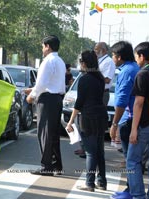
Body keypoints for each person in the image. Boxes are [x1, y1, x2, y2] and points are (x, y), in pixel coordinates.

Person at [66, 50, 108, 192]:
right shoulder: (100, 78)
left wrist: (70, 121)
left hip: (88, 117)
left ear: (83, 63)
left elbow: (79, 103)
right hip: (101, 116)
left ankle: (89, 183)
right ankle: (102, 182)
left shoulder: (84, 78)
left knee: (90, 152)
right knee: (99, 151)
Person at [25, 35, 65, 176]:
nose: (42, 49)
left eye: (43, 46)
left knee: (44, 133)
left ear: (48, 46)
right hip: (56, 99)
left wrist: (32, 96)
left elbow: (41, 84)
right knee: (53, 134)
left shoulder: (48, 61)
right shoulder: (60, 61)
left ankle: (46, 166)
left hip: (47, 100)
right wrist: (34, 90)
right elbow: (51, 83)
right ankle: (56, 165)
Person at [109, 41, 140, 199]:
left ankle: (133, 193)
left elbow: (122, 100)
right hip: (134, 119)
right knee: (132, 159)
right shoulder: (134, 68)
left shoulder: (127, 71)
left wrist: (114, 124)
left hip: (129, 119)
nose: (112, 59)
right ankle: (130, 189)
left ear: (119, 57)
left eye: (113, 56)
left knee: (131, 160)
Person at [126, 41, 149, 199]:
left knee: (132, 161)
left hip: (144, 125)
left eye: (136, 57)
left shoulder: (142, 74)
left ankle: (138, 196)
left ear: (142, 56)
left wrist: (134, 129)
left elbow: (139, 103)